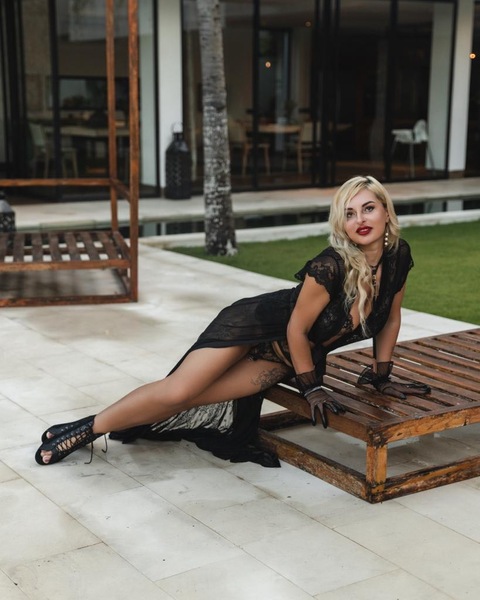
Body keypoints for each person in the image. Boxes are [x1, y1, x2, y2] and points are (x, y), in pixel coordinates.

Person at [35, 175, 430, 466]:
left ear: (385, 210)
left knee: (194, 397)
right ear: (340, 223)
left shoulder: (398, 256)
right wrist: (311, 388)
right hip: (253, 325)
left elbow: (390, 317)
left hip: (285, 355)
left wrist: (381, 374)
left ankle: (88, 424)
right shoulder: (330, 266)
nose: (360, 219)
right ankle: (86, 430)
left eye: (368, 208)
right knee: (177, 391)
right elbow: (295, 327)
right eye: (349, 213)